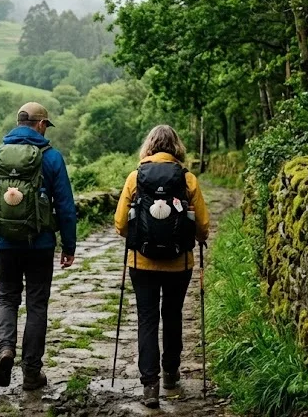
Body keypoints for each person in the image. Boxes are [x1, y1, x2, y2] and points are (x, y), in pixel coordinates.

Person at [0, 102, 77, 391]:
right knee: (36, 304)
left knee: (7, 298)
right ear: (41, 124)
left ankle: (5, 349)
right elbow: (66, 207)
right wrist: (68, 245)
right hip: (40, 243)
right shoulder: (52, 157)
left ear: (18, 122)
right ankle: (31, 371)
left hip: (4, 242)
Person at [114, 125, 210, 409]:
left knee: (147, 318)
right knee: (172, 314)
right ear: (176, 148)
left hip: (141, 263)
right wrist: (198, 238)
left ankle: (150, 386)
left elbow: (120, 224)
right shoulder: (188, 179)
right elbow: (202, 225)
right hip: (179, 263)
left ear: (149, 147)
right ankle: (170, 373)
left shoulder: (135, 177)